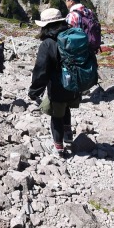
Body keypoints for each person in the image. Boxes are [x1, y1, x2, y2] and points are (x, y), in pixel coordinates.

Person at [27, 8, 80, 157]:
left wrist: (34, 91)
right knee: (66, 107)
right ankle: (68, 136)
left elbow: (41, 70)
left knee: (56, 115)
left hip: (58, 85)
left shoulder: (48, 43)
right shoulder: (71, 36)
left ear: (46, 25)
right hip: (75, 84)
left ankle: (59, 148)